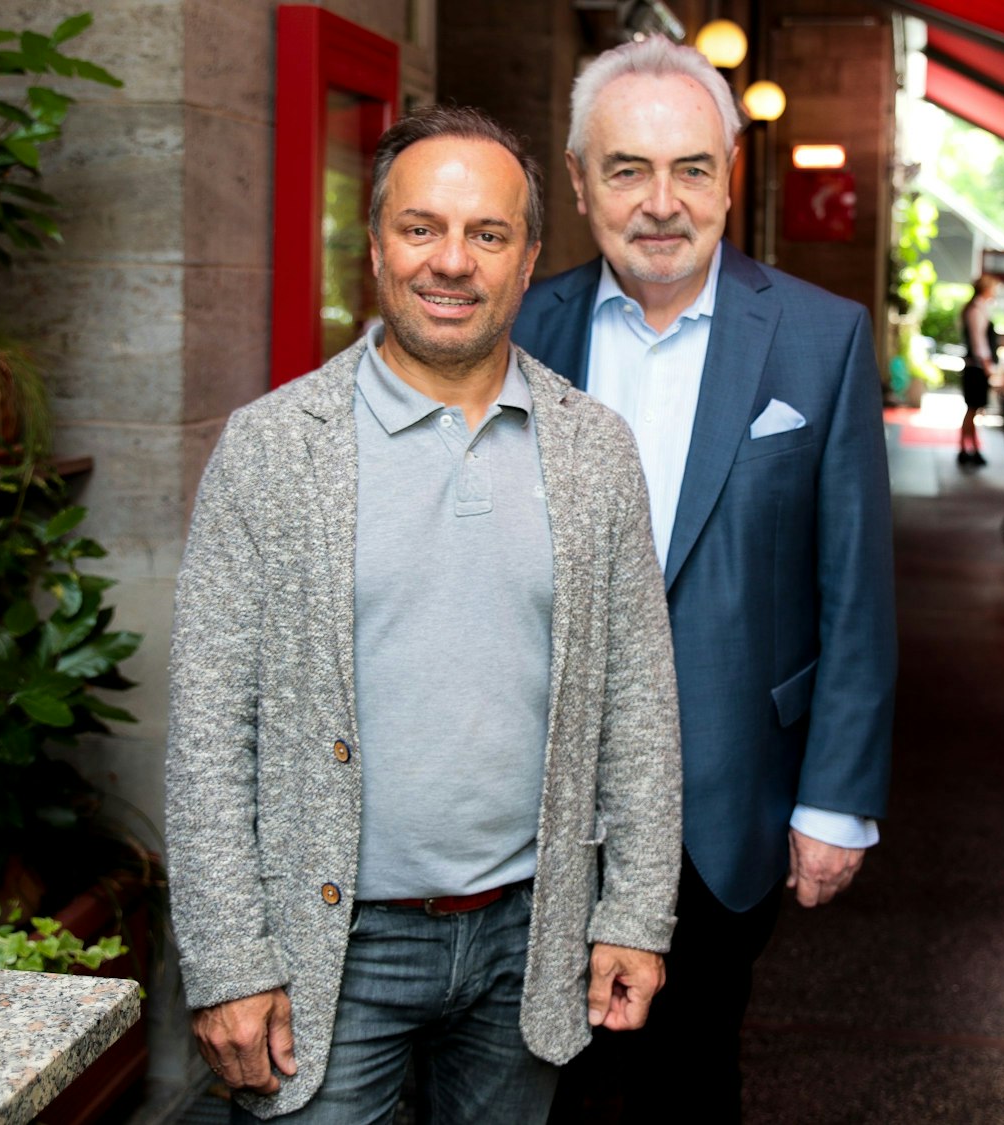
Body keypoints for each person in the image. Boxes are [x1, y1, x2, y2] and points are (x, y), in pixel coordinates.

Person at [165, 105, 683, 1125]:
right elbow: (208, 725)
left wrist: (633, 912)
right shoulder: (272, 449)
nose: (452, 262)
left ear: (528, 257)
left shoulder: (594, 450)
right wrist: (228, 961)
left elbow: (639, 700)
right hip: (330, 949)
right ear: (374, 249)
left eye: (486, 234)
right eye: (421, 229)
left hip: (528, 941)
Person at [512, 36, 896, 1122]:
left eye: (690, 168)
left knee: (687, 1077)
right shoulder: (522, 331)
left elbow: (854, 591)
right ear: (579, 183)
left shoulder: (819, 340)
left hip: (725, 791)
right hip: (539, 796)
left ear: (731, 176)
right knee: (540, 1082)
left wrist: (837, 800)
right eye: (626, 169)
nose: (660, 202)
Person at [957, 273, 1000, 465]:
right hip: (976, 368)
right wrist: (988, 367)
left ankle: (970, 447)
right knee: (972, 410)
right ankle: (967, 448)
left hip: (977, 366)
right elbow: (979, 344)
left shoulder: (980, 309)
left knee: (974, 410)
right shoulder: (976, 310)